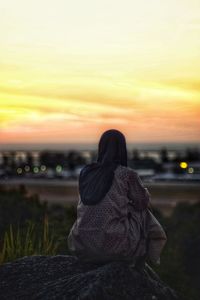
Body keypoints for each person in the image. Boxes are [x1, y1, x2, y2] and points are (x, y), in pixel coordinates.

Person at [68, 129, 167, 266]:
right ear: (122, 149)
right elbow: (142, 202)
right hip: (115, 248)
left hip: (83, 247)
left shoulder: (86, 172)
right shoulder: (126, 174)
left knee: (87, 215)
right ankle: (152, 257)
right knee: (143, 213)